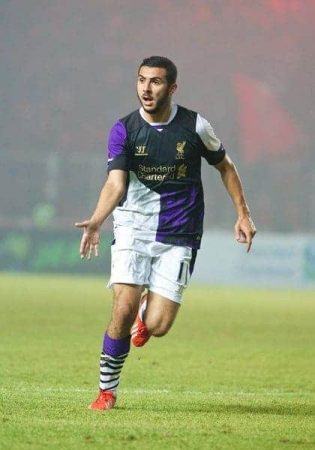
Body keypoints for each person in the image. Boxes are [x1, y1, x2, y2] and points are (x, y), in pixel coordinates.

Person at [75, 56, 256, 411]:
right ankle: (107, 390)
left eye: (156, 82)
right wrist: (97, 219)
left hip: (179, 231)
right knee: (122, 309)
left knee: (157, 326)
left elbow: (226, 166)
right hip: (132, 229)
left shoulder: (195, 126)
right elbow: (116, 183)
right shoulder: (124, 129)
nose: (146, 88)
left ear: (172, 88)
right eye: (141, 80)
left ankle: (147, 315)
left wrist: (243, 213)